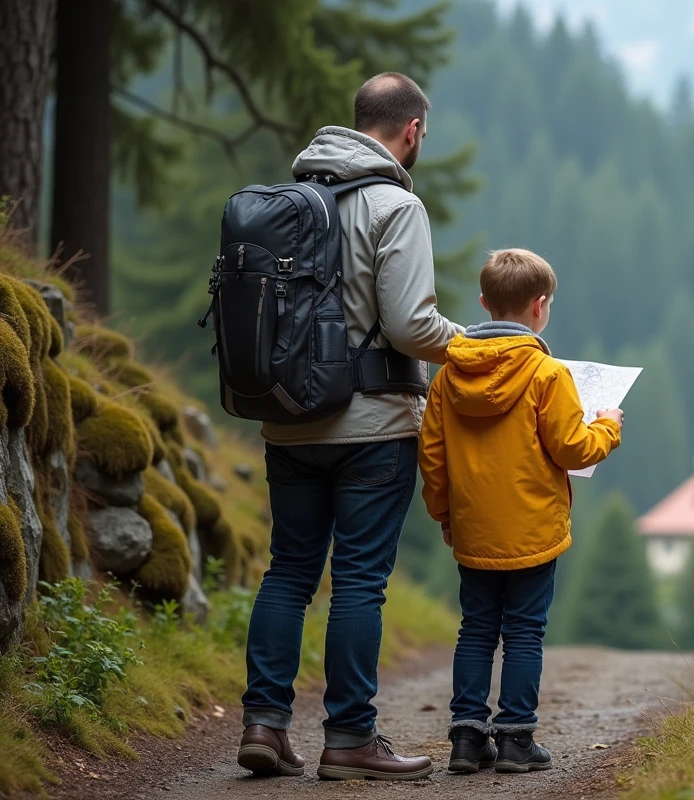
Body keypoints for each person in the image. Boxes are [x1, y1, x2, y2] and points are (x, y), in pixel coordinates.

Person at [237, 73, 461, 782]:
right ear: (412, 130)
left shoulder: (289, 202)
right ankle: (350, 739)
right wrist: (483, 345)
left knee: (290, 571)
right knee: (360, 580)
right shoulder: (395, 205)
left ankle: (265, 726)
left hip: (288, 424)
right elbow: (410, 325)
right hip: (372, 428)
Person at [418, 248, 624, 774]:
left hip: (472, 528)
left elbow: (433, 458)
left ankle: (466, 739)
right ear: (541, 305)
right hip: (534, 530)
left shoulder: (447, 376)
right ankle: (514, 740)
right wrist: (608, 424)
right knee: (525, 632)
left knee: (476, 629)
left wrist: (446, 515)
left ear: (485, 302)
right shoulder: (548, 375)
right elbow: (574, 450)